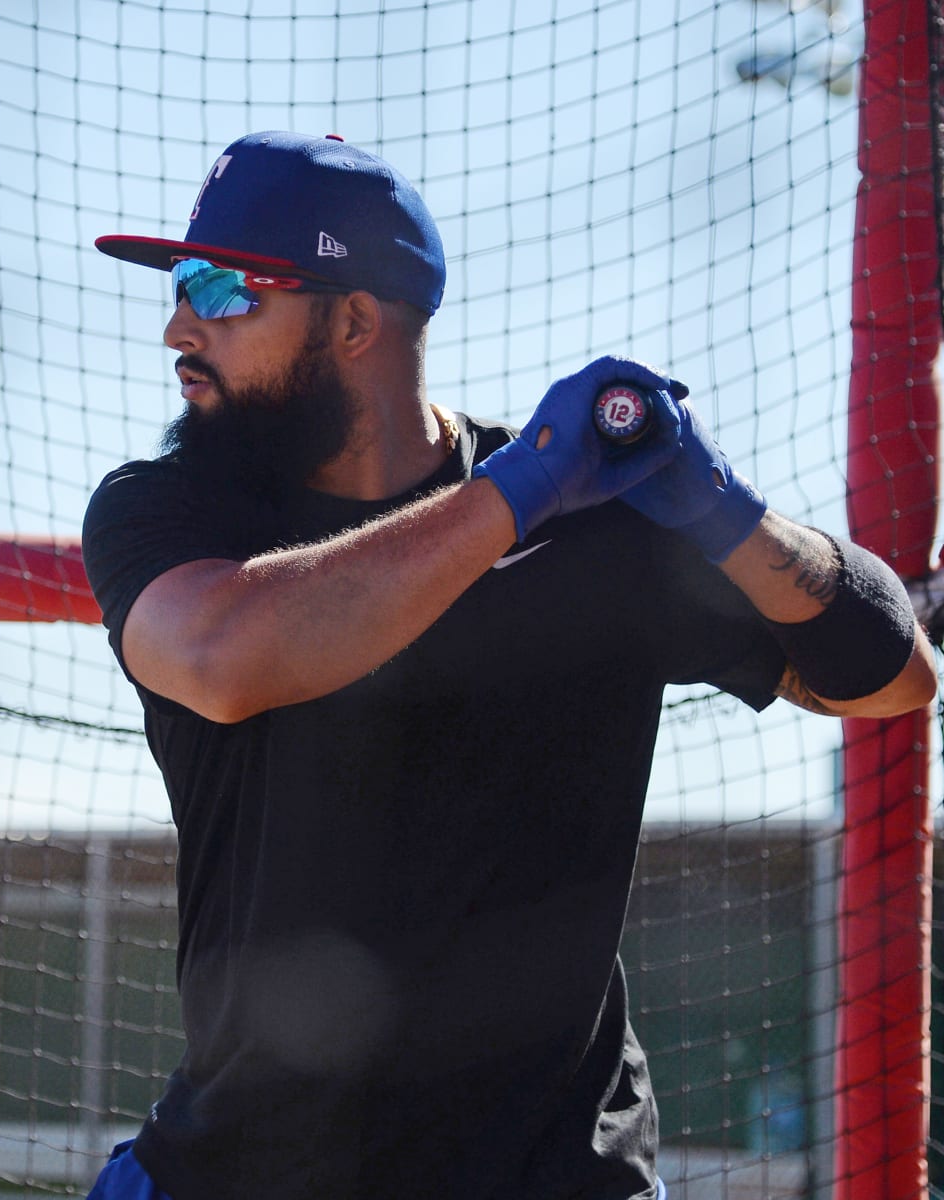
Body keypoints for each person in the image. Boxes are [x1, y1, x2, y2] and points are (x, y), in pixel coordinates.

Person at [81, 131, 936, 1200]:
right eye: (178, 285)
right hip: (244, 1169)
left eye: (221, 288)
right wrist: (522, 492)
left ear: (353, 321)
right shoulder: (169, 508)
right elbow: (221, 657)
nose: (179, 327)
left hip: (555, 1175)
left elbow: (892, 676)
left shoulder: (590, 520)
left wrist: (726, 515)